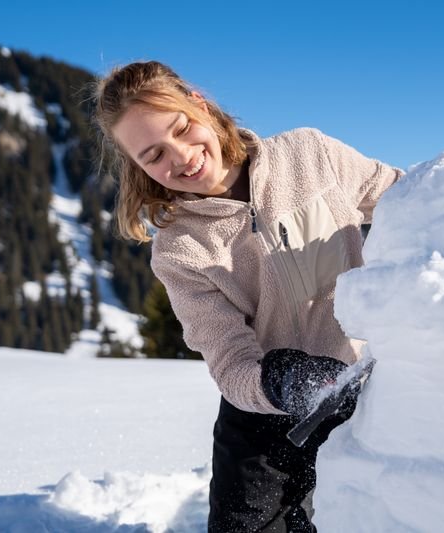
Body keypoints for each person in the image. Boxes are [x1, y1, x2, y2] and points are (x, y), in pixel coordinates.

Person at [92, 60, 403, 532]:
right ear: (137, 167)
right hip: (264, 423)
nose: (181, 157)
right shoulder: (179, 250)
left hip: (362, 390)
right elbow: (230, 364)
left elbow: (407, 197)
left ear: (200, 104)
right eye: (153, 156)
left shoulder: (309, 154)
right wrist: (280, 380)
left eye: (181, 128)